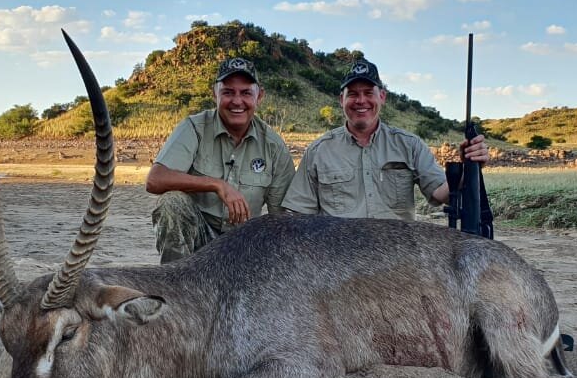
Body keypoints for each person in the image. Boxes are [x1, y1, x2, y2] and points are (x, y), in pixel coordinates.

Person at [282, 58, 489, 220]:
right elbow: (298, 215)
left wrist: (469, 166)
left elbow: (440, 194)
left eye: (368, 92)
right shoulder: (318, 151)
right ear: (341, 100)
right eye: (352, 94)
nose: (361, 100)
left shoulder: (409, 145)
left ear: (382, 96)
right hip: (338, 264)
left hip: (397, 262)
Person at [146, 57, 295, 263]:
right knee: (172, 203)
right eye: (227, 92)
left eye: (245, 93)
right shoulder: (194, 128)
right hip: (200, 240)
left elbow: (282, 216)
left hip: (244, 244)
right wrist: (217, 185)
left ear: (259, 96)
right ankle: (175, 284)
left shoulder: (273, 145)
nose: (236, 101)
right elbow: (155, 180)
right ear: (214, 93)